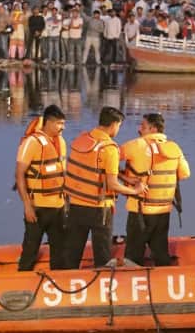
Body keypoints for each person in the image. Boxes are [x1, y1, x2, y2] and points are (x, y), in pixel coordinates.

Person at [63, 107, 147, 269]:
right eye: (119, 126)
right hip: (99, 209)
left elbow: (95, 168)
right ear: (114, 124)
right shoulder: (110, 149)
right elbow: (112, 184)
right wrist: (134, 191)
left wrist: (124, 176)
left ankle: (66, 282)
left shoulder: (82, 139)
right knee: (102, 255)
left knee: (72, 252)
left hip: (76, 204)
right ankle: (103, 288)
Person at [120, 113, 190, 267]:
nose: (139, 129)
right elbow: (185, 174)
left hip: (140, 210)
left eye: (143, 126)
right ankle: (163, 281)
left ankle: (132, 284)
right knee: (160, 252)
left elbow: (110, 159)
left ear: (152, 128)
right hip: (163, 210)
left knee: (133, 254)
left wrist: (121, 176)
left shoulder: (136, 145)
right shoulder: (175, 148)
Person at [15, 105, 68, 271]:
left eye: (63, 123)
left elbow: (63, 174)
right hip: (37, 208)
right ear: (49, 123)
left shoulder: (61, 142)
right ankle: (21, 282)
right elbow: (19, 175)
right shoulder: (32, 142)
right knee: (30, 249)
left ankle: (57, 285)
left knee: (60, 252)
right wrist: (27, 205)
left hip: (58, 207)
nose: (63, 127)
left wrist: (66, 202)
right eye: (59, 123)